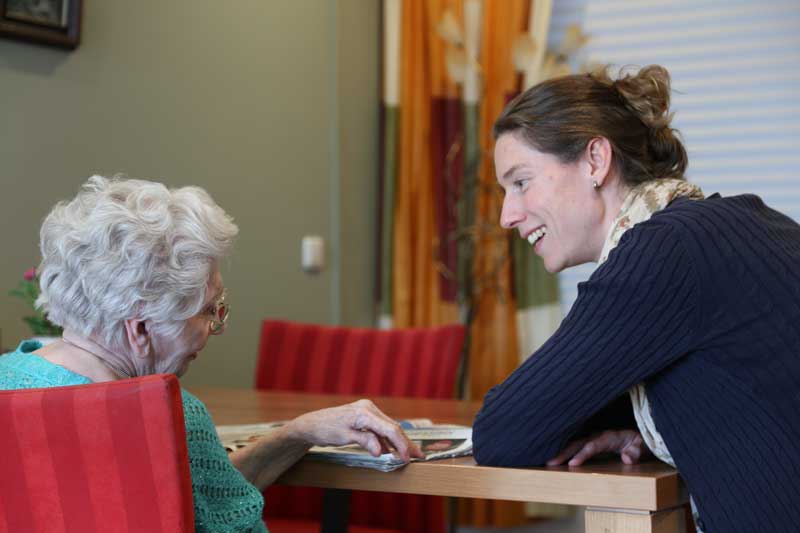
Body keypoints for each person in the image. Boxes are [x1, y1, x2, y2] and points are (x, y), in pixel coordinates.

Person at [472, 64, 800, 532]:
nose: (507, 215)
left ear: (594, 161)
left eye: (521, 182)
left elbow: (502, 432)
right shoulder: (736, 223)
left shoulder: (660, 255)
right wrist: (646, 426)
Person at [0, 175, 423, 533]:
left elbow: (192, 501)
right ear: (141, 329)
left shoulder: (9, 379)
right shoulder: (165, 414)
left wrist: (298, 433)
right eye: (206, 312)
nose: (215, 327)